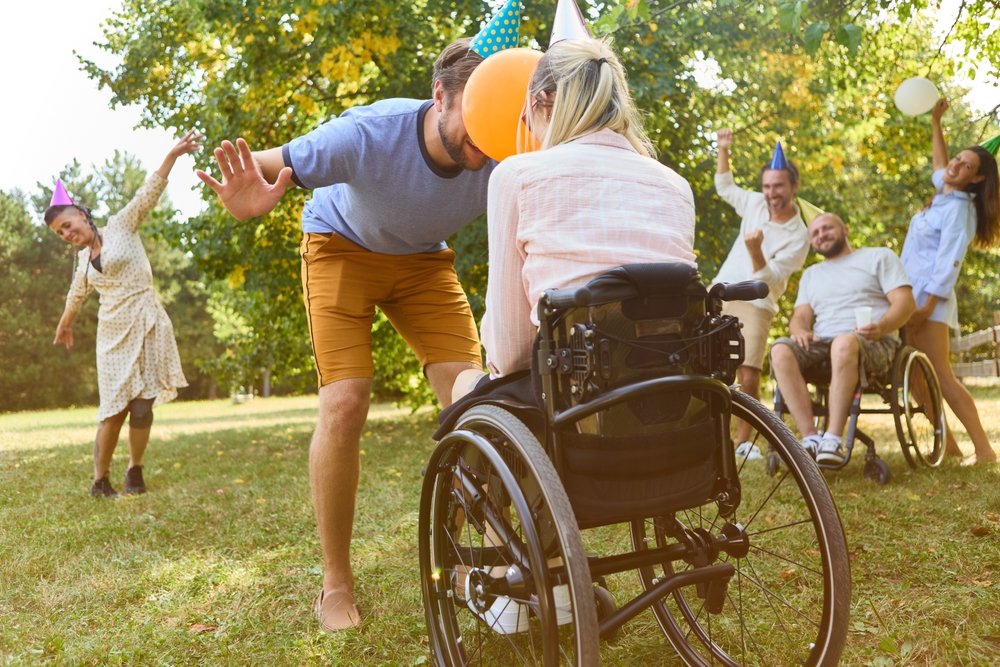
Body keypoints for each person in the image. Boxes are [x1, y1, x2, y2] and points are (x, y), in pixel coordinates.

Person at [197, 38, 495, 632]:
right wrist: (248, 194)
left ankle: (494, 557)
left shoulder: (505, 150)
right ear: (439, 95)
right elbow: (265, 159)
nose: (483, 138)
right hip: (340, 247)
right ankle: (335, 584)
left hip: (423, 263)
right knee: (344, 402)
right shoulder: (368, 133)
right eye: (473, 113)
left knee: (480, 402)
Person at [451, 36, 696, 397]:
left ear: (542, 105)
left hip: (572, 395)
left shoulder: (518, 175)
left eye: (525, 115)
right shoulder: (676, 186)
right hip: (672, 391)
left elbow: (510, 350)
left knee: (462, 384)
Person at [48, 132, 202, 498]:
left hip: (147, 323)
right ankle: (100, 480)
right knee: (114, 410)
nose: (67, 233)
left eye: (68, 224)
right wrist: (63, 326)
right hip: (112, 336)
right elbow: (76, 296)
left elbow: (149, 191)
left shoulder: (121, 225)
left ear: (82, 215)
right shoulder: (84, 262)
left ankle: (135, 471)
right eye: (60, 233)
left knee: (143, 407)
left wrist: (173, 154)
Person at [769, 213, 916, 464]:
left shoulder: (878, 256)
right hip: (823, 343)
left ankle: (833, 440)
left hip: (872, 342)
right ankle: (811, 440)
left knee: (844, 342)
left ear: (846, 230)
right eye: (815, 233)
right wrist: (800, 330)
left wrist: (880, 327)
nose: (821, 235)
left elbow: (906, 303)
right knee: (780, 349)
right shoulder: (812, 274)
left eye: (827, 228)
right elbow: (800, 317)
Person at [900, 98, 1000, 466]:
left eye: (966, 165)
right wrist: (936, 122)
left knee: (940, 375)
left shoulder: (959, 208)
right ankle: (951, 446)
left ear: (976, 179)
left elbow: (949, 261)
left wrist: (925, 307)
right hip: (911, 299)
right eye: (958, 158)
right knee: (916, 377)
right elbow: (939, 165)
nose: (955, 165)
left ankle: (985, 450)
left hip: (930, 301)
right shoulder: (945, 191)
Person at [712, 132, 810, 461]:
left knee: (747, 371)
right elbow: (725, 186)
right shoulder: (754, 203)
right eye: (767, 187)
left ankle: (745, 442)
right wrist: (723, 148)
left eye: (778, 186)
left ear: (793, 187)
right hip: (720, 290)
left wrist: (756, 251)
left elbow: (768, 281)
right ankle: (711, 437)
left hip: (756, 301)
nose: (771, 194)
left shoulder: (799, 235)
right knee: (706, 365)